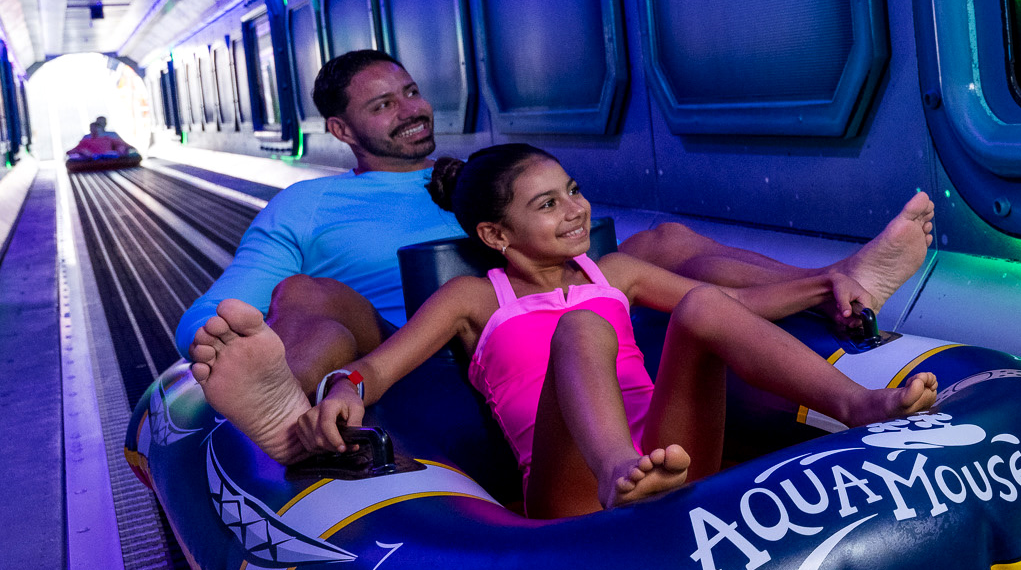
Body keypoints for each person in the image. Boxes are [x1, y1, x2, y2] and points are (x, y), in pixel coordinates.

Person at [174, 48, 935, 417]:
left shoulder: (483, 176)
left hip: (553, 308)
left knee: (664, 243)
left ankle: (841, 286)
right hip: (416, 344)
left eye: (410, 91)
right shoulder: (306, 209)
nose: (410, 110)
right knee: (306, 292)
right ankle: (290, 410)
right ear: (342, 130)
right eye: (382, 106)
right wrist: (224, 344)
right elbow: (209, 318)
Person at [188, 145, 939, 515]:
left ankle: (860, 406)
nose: (575, 209)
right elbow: (380, 368)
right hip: (575, 485)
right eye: (547, 205)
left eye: (573, 191)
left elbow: (738, 316)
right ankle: (618, 472)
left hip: (673, 453)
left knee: (706, 307)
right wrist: (346, 386)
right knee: (581, 329)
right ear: (496, 234)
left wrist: (825, 287)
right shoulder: (472, 298)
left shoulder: (618, 272)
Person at [69, 117, 137, 159]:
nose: (95, 131)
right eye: (93, 129)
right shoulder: (86, 139)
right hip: (92, 156)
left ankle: (122, 159)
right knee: (84, 152)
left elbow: (121, 143)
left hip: (107, 155)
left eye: (97, 129)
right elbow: (77, 148)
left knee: (120, 148)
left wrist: (127, 148)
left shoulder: (108, 137)